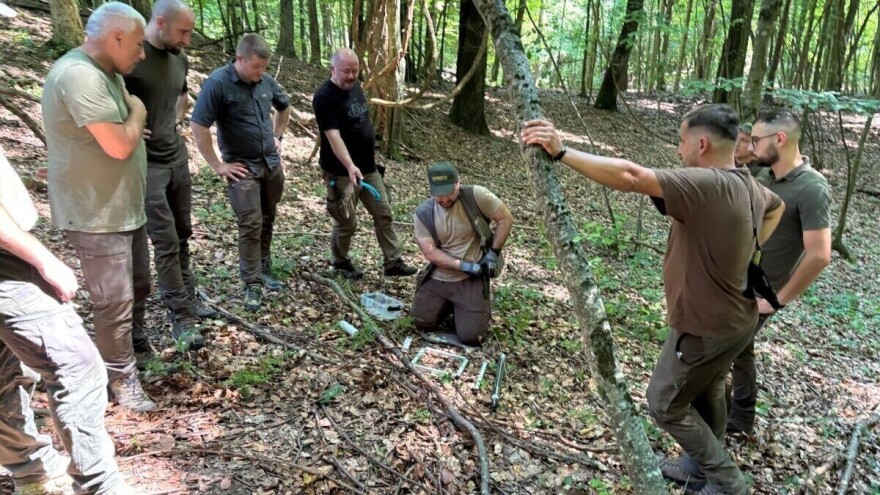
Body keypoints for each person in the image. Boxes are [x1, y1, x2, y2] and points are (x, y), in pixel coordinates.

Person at [522, 104, 785, 495]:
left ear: (700, 143)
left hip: (704, 326)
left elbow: (632, 176)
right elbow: (776, 206)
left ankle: (728, 482)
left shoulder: (708, 184)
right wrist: (747, 249)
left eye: (681, 142)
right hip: (736, 321)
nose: (679, 151)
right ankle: (698, 471)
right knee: (708, 388)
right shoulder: (746, 183)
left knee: (664, 402)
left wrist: (562, 152)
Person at [42, 1, 156, 413]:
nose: (142, 54)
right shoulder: (78, 76)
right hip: (96, 213)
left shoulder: (106, 75)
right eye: (139, 44)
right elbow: (120, 141)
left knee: (137, 286)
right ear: (117, 36)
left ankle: (134, 355)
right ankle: (120, 379)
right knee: (114, 302)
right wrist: (139, 111)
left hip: (122, 207)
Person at [727, 109, 832, 435]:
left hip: (760, 293)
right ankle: (740, 421)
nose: (753, 147)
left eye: (757, 140)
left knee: (716, 355)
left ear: (781, 139)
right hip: (734, 281)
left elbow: (820, 255)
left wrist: (776, 301)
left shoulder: (811, 188)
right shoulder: (764, 174)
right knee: (740, 353)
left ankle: (711, 434)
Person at [123, 0, 213, 352]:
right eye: (184, 31)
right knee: (165, 240)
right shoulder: (133, 57)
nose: (188, 39)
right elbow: (104, 98)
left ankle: (188, 299)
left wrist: (174, 120)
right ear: (160, 22)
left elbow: (181, 94)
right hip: (147, 166)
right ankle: (181, 319)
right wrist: (125, 124)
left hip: (176, 157)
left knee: (183, 232)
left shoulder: (179, 58)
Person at [191, 33, 291, 312]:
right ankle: (252, 283)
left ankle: (265, 266)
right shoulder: (218, 83)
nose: (261, 73)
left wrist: (278, 136)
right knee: (250, 222)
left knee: (268, 216)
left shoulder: (266, 82)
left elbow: (284, 107)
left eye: (264, 67)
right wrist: (218, 165)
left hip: (270, 164)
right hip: (242, 169)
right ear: (240, 59)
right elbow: (198, 125)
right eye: (256, 67)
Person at [312, 48, 417, 280]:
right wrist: (350, 166)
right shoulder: (324, 98)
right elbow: (333, 137)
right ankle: (340, 262)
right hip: (341, 172)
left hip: (368, 169)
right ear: (332, 69)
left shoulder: (355, 87)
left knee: (384, 213)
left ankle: (392, 262)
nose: (351, 76)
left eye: (355, 71)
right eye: (346, 72)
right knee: (346, 221)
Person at [411, 162, 514, 347]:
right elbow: (430, 252)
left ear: (458, 183)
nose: (443, 199)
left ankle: (467, 308)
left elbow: (505, 218)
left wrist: (493, 253)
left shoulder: (475, 196)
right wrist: (462, 265)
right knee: (421, 321)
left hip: (470, 279)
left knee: (471, 336)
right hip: (441, 275)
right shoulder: (423, 213)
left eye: (448, 192)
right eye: (438, 194)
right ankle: (451, 305)